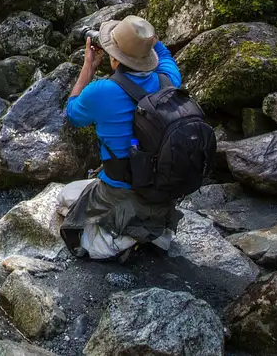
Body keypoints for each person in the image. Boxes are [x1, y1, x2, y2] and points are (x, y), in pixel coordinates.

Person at [58, 15, 183, 260]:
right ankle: (152, 228)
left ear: (115, 58)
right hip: (163, 188)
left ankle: (121, 236)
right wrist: (144, 38)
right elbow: (165, 54)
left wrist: (89, 67)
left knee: (65, 197)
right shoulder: (169, 80)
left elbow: (72, 113)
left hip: (120, 190)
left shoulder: (102, 91)